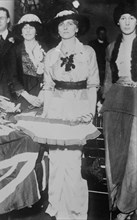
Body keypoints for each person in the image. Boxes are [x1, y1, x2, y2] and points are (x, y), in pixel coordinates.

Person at [40, 3, 99, 219]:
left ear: (76, 28)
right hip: (56, 107)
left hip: (79, 107)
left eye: (70, 24)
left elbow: (93, 85)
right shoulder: (51, 55)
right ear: (57, 30)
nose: (65, 28)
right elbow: (47, 86)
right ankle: (56, 205)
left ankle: (75, 211)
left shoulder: (88, 52)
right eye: (61, 25)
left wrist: (90, 113)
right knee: (56, 159)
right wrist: (46, 114)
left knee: (74, 160)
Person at [101, 1, 137, 220]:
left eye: (131, 18)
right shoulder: (111, 47)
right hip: (115, 102)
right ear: (117, 21)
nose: (127, 22)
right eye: (123, 18)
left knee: (135, 157)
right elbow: (107, 79)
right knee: (115, 157)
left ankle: (127, 205)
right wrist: (102, 101)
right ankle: (117, 203)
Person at [6, 13, 46, 111]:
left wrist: (43, 95)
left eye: (31, 27)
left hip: (45, 95)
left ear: (36, 30)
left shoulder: (46, 48)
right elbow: (12, 77)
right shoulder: (15, 50)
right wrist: (28, 97)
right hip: (23, 97)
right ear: (21, 31)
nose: (28, 31)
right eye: (24, 28)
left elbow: (51, 74)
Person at [88, 26, 109, 102]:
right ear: (97, 34)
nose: (102, 35)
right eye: (100, 34)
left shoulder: (108, 45)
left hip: (104, 73)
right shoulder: (92, 45)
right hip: (94, 71)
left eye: (104, 34)